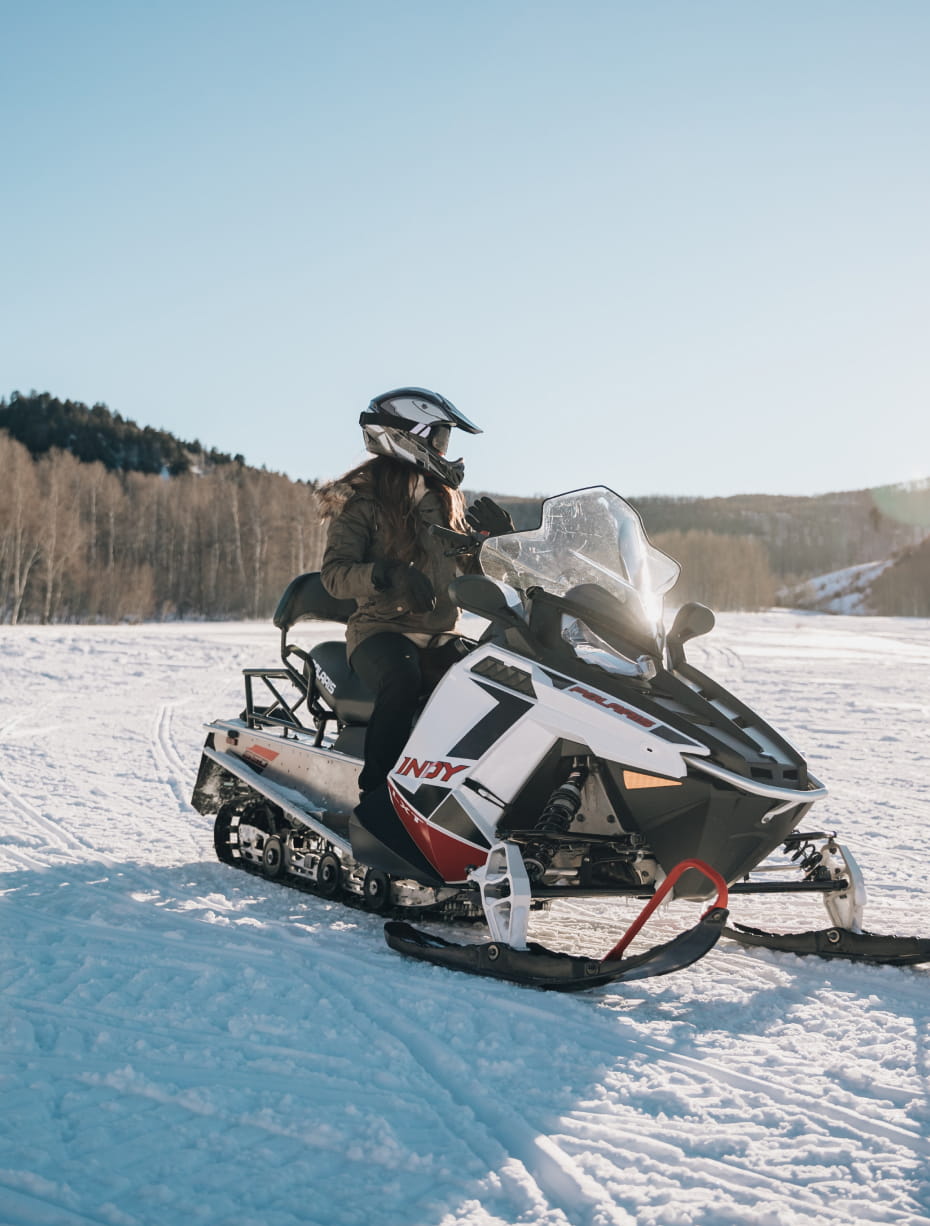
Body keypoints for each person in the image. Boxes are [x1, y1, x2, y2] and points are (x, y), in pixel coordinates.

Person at [319, 388, 513, 797]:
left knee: (497, 686)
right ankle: (376, 802)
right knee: (403, 680)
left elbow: (469, 569)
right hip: (380, 633)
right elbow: (335, 575)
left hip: (443, 632)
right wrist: (386, 574)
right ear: (410, 437)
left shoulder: (443, 499)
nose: (445, 449)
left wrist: (498, 545)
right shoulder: (362, 498)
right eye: (440, 438)